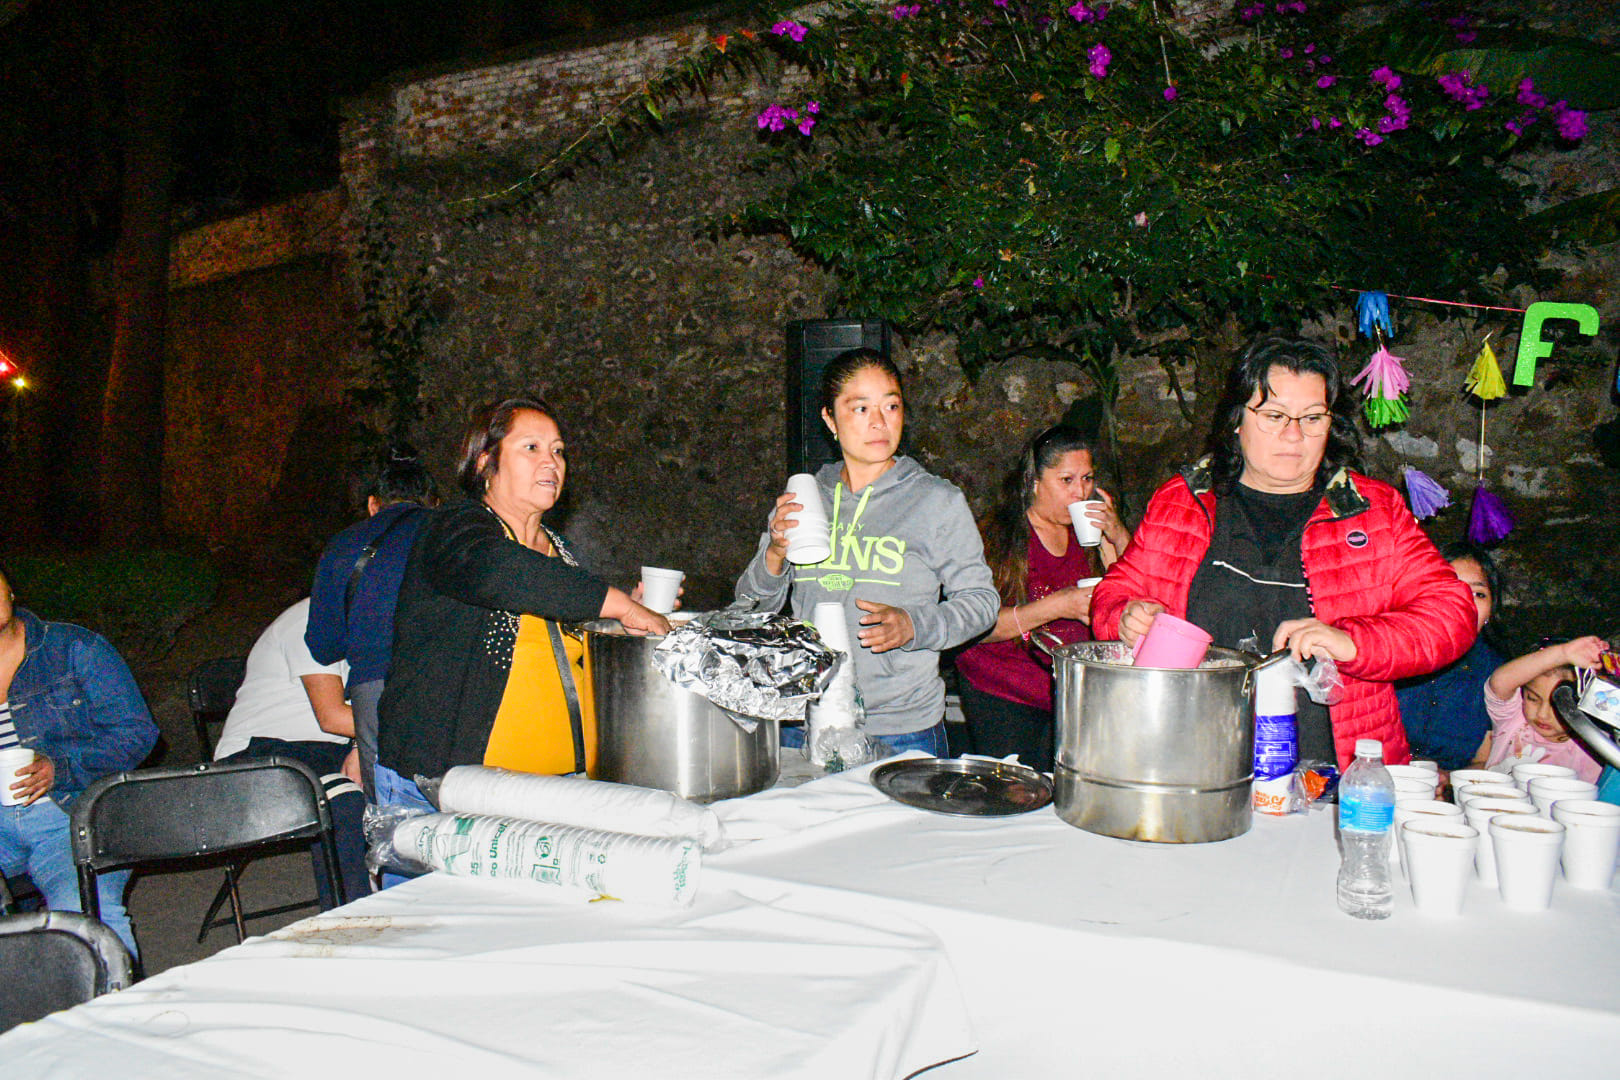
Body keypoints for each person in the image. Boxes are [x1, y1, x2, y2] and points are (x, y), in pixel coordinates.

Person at [1090, 335, 1476, 769]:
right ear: (1237, 421)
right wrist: (1123, 616)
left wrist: (1353, 641)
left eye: (1312, 418)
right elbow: (1116, 590)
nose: (1294, 436)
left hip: (1331, 772)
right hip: (1187, 755)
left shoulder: (1372, 512)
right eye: (1274, 415)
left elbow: (1452, 614)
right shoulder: (1183, 500)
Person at [375, 394, 669, 812]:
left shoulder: (559, 551)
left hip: (553, 790)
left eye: (558, 451)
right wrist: (618, 603)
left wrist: (619, 628)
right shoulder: (454, 528)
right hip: (449, 788)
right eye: (531, 448)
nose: (551, 462)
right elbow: (496, 573)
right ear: (484, 462)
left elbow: (561, 654)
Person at [735, 349, 999, 756]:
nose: (880, 422)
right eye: (860, 408)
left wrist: (914, 625)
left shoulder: (936, 501)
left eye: (891, 405)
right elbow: (751, 608)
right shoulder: (804, 499)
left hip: (901, 728)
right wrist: (773, 554)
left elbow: (982, 603)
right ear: (830, 420)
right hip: (804, 718)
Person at [952, 424, 1131, 770]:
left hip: (1069, 692)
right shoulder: (998, 534)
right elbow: (976, 626)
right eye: (1067, 480)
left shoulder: (1089, 534)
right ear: (1034, 482)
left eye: (1088, 478)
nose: (1080, 492)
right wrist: (1060, 604)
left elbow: (1136, 593)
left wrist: (1118, 532)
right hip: (1003, 689)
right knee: (1019, 794)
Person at [0, 565, 156, 957]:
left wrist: (61, 767)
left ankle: (114, 1012)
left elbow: (137, 733)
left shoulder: (72, 648)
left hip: (70, 816)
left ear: (10, 589)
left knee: (88, 920)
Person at [215, 598, 369, 904]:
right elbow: (332, 717)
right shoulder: (312, 619)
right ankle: (353, 924)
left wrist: (360, 746)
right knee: (344, 798)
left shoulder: (372, 629)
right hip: (259, 754)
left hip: (327, 751)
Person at [306, 442, 436, 798]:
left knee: (394, 822)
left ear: (372, 505)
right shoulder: (453, 533)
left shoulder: (343, 545)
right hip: (456, 685)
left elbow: (322, 645)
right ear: (434, 502)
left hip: (378, 695)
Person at [1395, 541, 1506, 772]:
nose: (1464, 603)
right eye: (1450, 587)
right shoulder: (1386, 657)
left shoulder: (1497, 674)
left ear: (1491, 611)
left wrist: (1448, 781)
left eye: (1478, 593)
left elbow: (1483, 761)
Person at [1476, 635, 1608, 783]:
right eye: (1532, 698)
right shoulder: (1513, 719)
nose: (1542, 714)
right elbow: (1500, 681)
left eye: (1558, 705)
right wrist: (1563, 653)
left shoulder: (1595, 747)